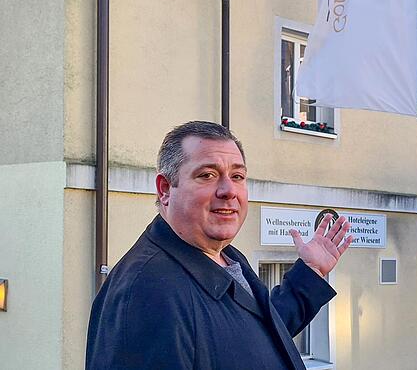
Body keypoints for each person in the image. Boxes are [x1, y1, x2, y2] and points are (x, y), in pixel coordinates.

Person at [86, 121, 354, 369]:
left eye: (237, 176)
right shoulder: (147, 290)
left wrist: (309, 274)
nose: (229, 191)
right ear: (165, 189)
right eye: (208, 175)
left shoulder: (224, 256)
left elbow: (251, 337)